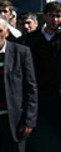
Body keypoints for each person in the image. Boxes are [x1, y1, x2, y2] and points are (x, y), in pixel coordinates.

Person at [18, 1, 61, 152]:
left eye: (58, 16)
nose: (55, 20)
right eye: (51, 16)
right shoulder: (33, 38)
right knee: (42, 136)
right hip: (41, 94)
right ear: (44, 16)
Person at [0, 18, 37, 152]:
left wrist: (29, 120)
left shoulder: (21, 52)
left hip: (15, 120)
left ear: (7, 32)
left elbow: (31, 88)